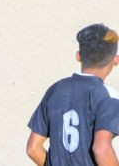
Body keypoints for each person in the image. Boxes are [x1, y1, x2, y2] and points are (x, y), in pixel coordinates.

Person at [27, 24, 119, 165]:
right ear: (116, 60)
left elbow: (33, 149)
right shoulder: (110, 97)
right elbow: (101, 149)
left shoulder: (56, 90)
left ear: (78, 56)